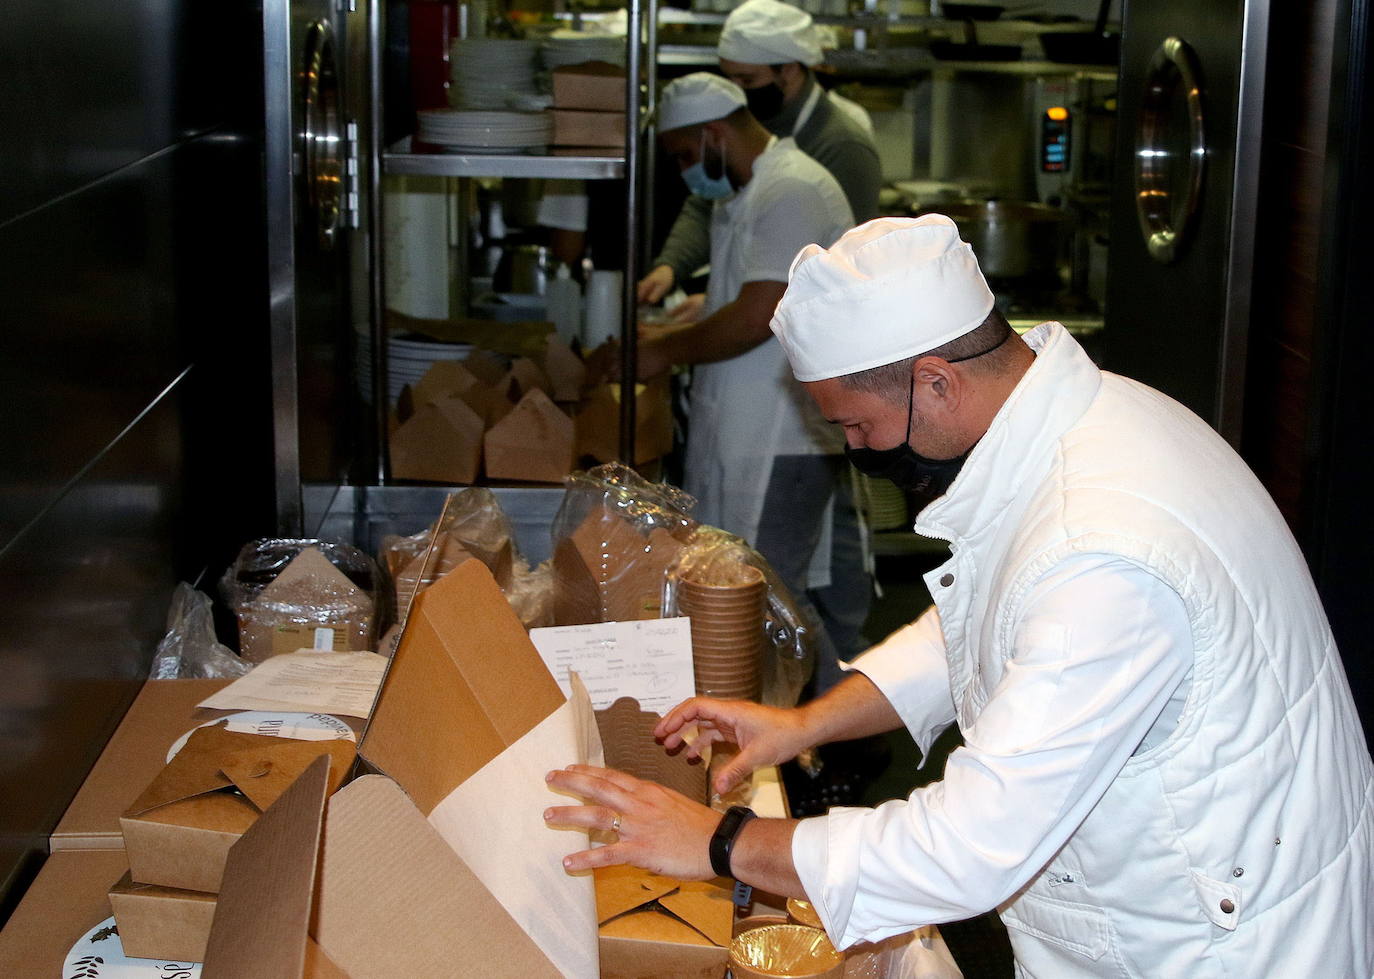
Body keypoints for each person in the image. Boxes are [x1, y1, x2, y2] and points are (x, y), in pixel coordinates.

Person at [548, 215, 1374, 977]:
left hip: (1209, 946)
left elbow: (973, 843)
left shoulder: (1101, 546)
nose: (855, 447)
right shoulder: (1080, 423)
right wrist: (807, 722)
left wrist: (722, 841)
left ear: (935, 380)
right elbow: (982, 623)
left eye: (859, 426)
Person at [632, 73, 869, 695]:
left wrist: (664, 352)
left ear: (714, 134)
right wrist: (698, 313)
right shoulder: (746, 191)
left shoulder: (791, 188)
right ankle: (807, 741)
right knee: (756, 591)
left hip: (781, 435)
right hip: (747, 424)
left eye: (686, 156)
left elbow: (761, 311)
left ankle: (829, 741)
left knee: (772, 597)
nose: (686, 172)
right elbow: (752, 287)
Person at [638, 0, 882, 318]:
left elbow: (843, 258)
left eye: (747, 81)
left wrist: (734, 306)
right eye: (729, 80)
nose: (736, 92)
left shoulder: (841, 145)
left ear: (789, 70)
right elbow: (708, 203)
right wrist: (670, 267)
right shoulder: (751, 127)